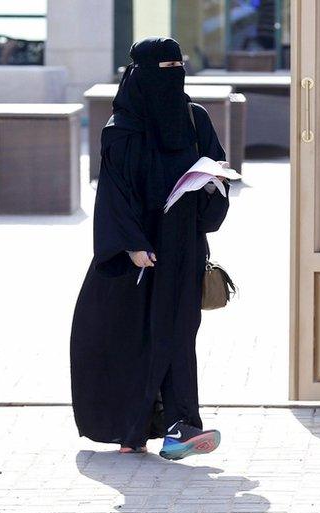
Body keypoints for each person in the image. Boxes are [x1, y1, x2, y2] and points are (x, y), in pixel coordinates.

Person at [70, 37, 230, 460]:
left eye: (178, 66)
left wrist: (210, 190)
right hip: (140, 257)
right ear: (139, 74)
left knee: (179, 335)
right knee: (138, 339)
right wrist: (134, 244)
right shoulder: (122, 130)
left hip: (184, 249)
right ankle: (133, 430)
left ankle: (182, 426)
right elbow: (114, 193)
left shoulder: (194, 120)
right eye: (163, 68)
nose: (172, 77)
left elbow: (216, 169)